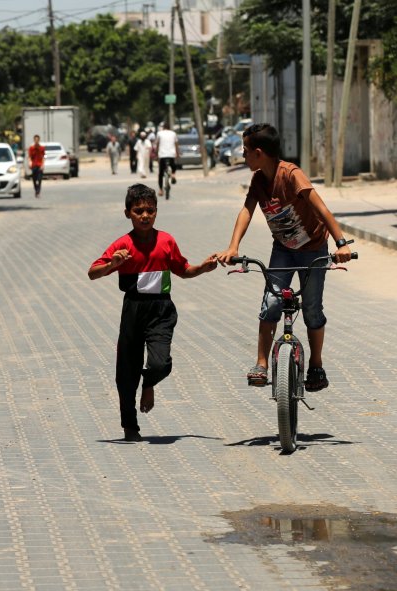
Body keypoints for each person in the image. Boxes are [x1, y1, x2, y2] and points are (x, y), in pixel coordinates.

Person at [214, 123, 353, 392]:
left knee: (312, 309)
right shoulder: (257, 180)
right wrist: (233, 247)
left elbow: (320, 207)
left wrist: (341, 243)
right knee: (271, 303)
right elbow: (246, 211)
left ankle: (316, 365)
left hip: (313, 248)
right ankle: (261, 364)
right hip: (283, 250)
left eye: (244, 150)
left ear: (258, 152)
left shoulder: (291, 174)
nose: (242, 155)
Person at [89, 184, 218, 442]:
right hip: (133, 309)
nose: (145, 216)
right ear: (128, 213)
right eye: (138, 211)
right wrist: (113, 264)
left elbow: (184, 270)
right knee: (126, 371)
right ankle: (130, 427)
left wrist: (203, 268)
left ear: (157, 212)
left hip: (161, 309)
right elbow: (92, 272)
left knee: (161, 363)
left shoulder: (166, 241)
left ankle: (148, 384)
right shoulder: (123, 244)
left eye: (150, 210)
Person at [154, 122, 179, 197]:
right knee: (174, 166)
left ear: (163, 127)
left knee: (161, 173)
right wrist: (177, 153)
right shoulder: (173, 133)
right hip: (171, 154)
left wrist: (156, 154)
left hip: (162, 155)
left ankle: (161, 190)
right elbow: (176, 144)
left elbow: (157, 144)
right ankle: (173, 175)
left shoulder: (159, 133)